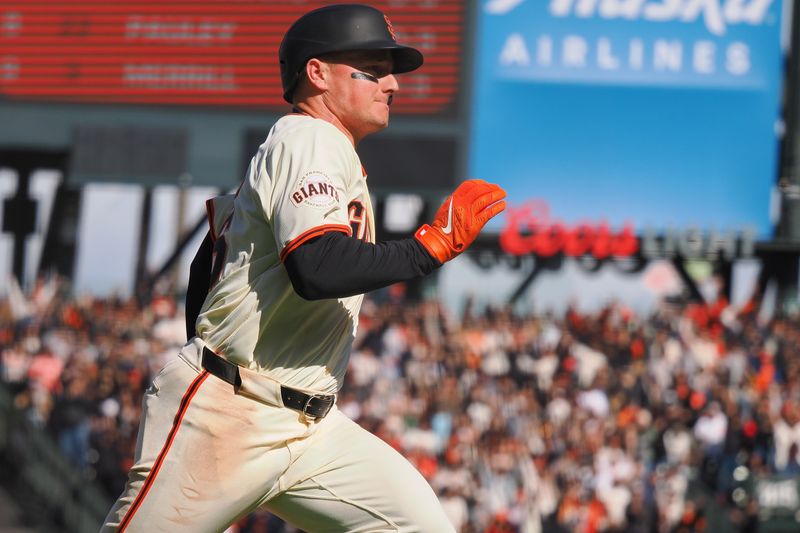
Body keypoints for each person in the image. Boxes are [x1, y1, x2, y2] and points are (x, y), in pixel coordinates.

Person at [102, 4, 505, 531]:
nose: (393, 85)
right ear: (317, 73)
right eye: (374, 69)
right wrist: (426, 249)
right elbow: (317, 268)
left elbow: (207, 265)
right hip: (231, 415)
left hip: (310, 428)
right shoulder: (309, 138)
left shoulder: (318, 149)